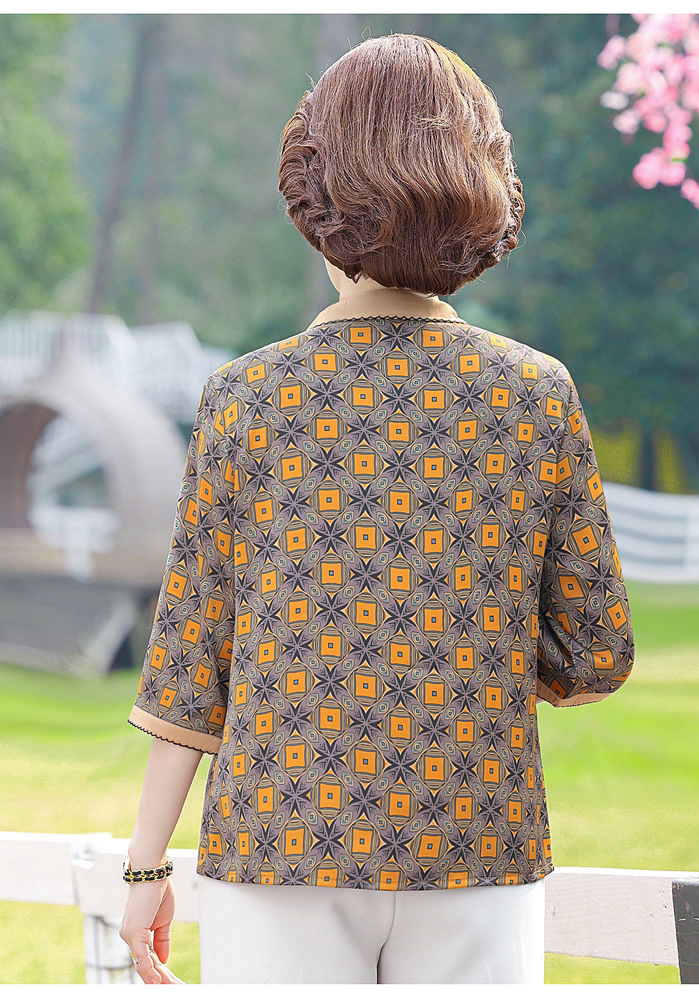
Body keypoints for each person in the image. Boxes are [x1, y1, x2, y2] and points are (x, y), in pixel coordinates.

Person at [119, 33, 634, 985]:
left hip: (278, 840)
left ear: (313, 192)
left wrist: (148, 866)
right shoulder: (536, 393)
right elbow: (596, 651)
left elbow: (193, 657)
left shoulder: (244, 399)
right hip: (476, 838)